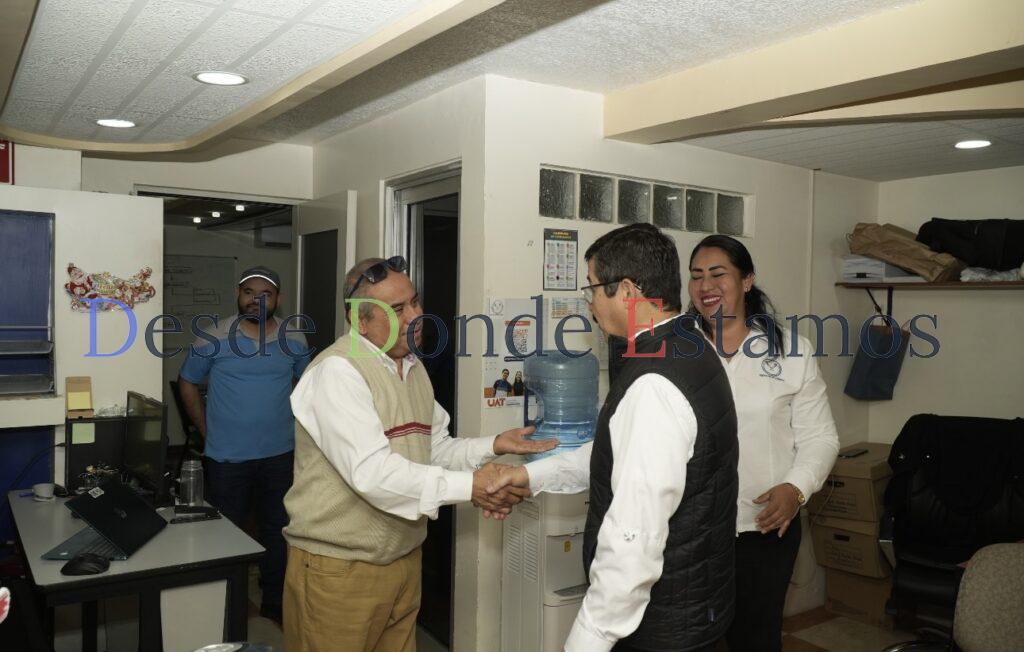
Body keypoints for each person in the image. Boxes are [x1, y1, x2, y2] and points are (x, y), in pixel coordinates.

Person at [282, 256, 555, 652]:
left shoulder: (412, 368)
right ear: (359, 320)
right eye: (397, 309)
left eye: (414, 301)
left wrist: (494, 444)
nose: (416, 316)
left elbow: (434, 449)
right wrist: (473, 487)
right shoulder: (338, 373)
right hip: (340, 571)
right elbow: (373, 474)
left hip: (403, 561)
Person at [488, 224, 739, 652]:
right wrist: (532, 477)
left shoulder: (654, 385)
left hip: (662, 627)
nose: (589, 303)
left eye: (591, 288)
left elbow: (632, 542)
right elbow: (629, 453)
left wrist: (587, 641)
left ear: (626, 291)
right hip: (698, 608)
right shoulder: (689, 345)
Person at [687, 235, 839, 652]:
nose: (705, 286)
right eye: (696, 276)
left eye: (718, 274)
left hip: (764, 528)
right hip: (689, 531)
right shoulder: (677, 351)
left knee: (755, 639)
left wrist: (796, 488)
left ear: (747, 280)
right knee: (687, 640)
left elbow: (821, 437)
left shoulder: (791, 351)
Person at [178, 266, 310, 624]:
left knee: (277, 530)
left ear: (278, 299)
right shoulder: (213, 337)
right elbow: (187, 382)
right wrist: (206, 431)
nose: (256, 300)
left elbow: (310, 385)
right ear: (238, 296)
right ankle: (227, 603)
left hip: (280, 454)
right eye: (249, 292)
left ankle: (274, 602)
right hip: (227, 457)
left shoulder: (294, 338)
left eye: (265, 293)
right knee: (226, 531)